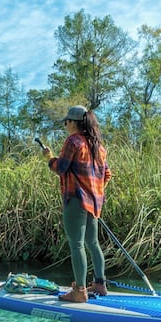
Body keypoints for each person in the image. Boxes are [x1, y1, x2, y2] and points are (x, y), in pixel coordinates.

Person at [40, 105, 112, 303]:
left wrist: (49, 159)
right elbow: (107, 175)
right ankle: (100, 284)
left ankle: (79, 291)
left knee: (76, 244)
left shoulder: (73, 141)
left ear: (74, 122)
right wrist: (95, 190)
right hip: (94, 203)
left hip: (76, 200)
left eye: (67, 122)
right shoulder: (99, 146)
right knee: (93, 243)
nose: (65, 125)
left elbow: (61, 167)